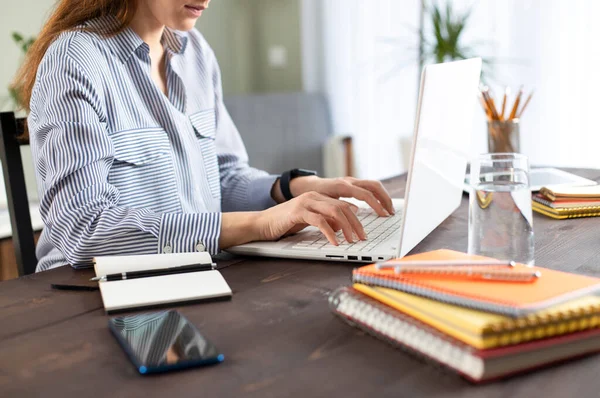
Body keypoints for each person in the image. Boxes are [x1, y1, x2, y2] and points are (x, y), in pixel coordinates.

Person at [13, 0, 395, 272]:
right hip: (83, 297)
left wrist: (293, 189)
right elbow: (85, 229)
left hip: (189, 276)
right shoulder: (75, 60)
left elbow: (222, 178)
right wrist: (259, 224)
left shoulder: (195, 53)